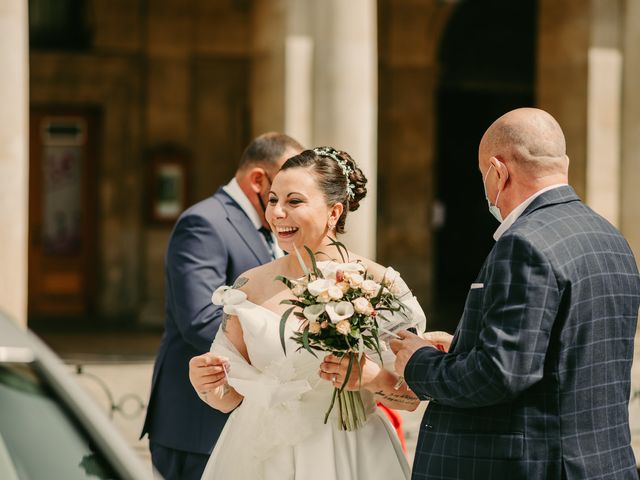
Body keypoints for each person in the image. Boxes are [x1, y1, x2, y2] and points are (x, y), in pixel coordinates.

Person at [391, 108, 640, 479]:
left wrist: (418, 362)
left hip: (530, 466)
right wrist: (463, 347)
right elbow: (560, 351)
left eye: (482, 176)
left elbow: (499, 373)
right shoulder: (610, 237)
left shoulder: (523, 243)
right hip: (602, 463)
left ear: (498, 171)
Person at [188, 147, 426, 479]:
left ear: (334, 212)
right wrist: (208, 384)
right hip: (260, 456)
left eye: (294, 202)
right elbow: (229, 398)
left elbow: (411, 398)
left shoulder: (379, 284)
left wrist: (373, 379)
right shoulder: (248, 285)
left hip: (349, 449)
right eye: (272, 200)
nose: (277, 213)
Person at [140, 132, 303, 480]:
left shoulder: (269, 229)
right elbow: (199, 320)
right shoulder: (205, 223)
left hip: (246, 418)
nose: (286, 206)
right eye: (283, 188)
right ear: (258, 180)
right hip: (197, 424)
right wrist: (289, 349)